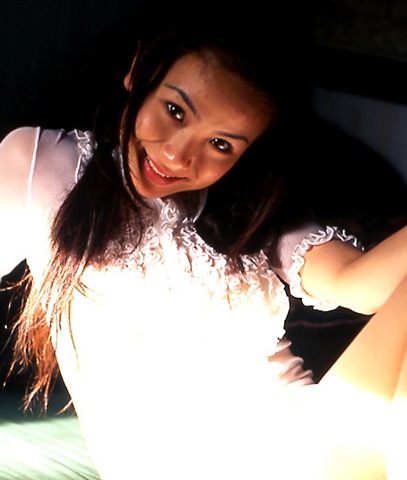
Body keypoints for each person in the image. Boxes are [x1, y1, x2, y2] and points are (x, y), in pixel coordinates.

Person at [1, 7, 407, 479]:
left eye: (221, 144)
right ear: (138, 70)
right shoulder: (39, 162)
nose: (177, 155)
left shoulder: (249, 209)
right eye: (174, 111)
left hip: (308, 447)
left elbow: (359, 283)